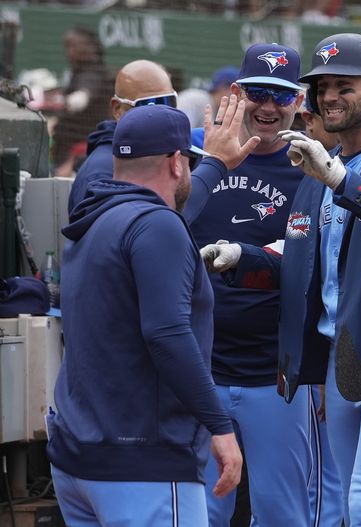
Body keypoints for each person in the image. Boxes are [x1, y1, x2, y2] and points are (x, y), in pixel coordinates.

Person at [200, 32, 361, 526]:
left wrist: (342, 181)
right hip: (341, 365)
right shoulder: (320, 168)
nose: (330, 97)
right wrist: (244, 257)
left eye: (345, 85)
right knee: (346, 507)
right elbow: (306, 265)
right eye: (322, 87)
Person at [46, 105, 243, 526]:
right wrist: (219, 427)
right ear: (176, 162)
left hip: (77, 458)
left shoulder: (96, 217)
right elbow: (168, 334)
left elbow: (161, 215)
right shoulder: (156, 226)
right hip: (142, 462)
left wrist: (216, 165)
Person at [185, 43, 314, 527]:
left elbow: (313, 266)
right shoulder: (195, 154)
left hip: (274, 374)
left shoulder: (310, 166)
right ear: (235, 94)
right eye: (256, 91)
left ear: (298, 101)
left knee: (283, 515)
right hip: (200, 369)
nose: (267, 106)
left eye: (280, 96)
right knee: (201, 513)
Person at [299, 89, 344, 527]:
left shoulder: (342, 175)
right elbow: (301, 260)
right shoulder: (310, 178)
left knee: (349, 491)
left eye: (309, 119)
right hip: (322, 357)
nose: (308, 126)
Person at [67, 60, 178, 213]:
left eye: (167, 101)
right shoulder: (100, 172)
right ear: (118, 109)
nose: (161, 114)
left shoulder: (156, 151)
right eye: (148, 105)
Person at [51, 26, 112, 177]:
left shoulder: (95, 72)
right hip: (65, 149)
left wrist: (77, 99)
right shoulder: (76, 72)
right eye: (67, 45)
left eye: (73, 45)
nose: (69, 51)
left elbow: (84, 93)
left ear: (89, 47)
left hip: (83, 154)